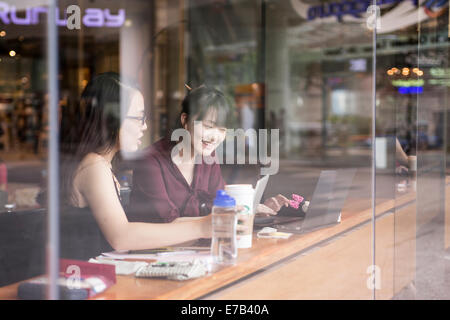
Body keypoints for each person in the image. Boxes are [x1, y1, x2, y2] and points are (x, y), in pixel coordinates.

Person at [59, 73, 218, 260]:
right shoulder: (94, 166)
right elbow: (121, 236)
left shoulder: (101, 164)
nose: (143, 127)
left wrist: (207, 222)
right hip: (87, 280)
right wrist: (201, 227)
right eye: (138, 118)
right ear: (111, 119)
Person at [128, 85, 290, 223]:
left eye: (222, 130)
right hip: (152, 255)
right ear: (185, 120)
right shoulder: (150, 161)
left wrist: (250, 207)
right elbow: (169, 222)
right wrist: (231, 213)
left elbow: (219, 202)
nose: (214, 137)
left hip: (196, 252)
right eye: (208, 126)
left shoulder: (208, 157)